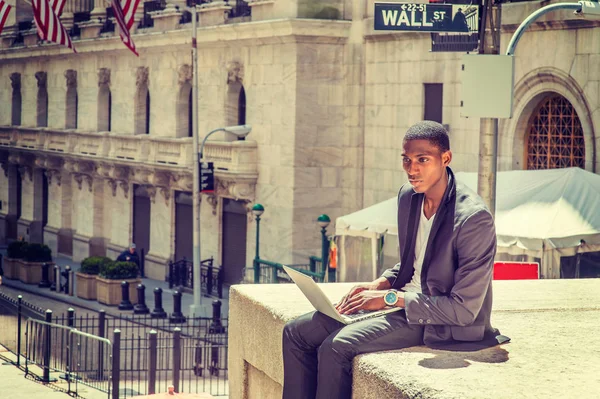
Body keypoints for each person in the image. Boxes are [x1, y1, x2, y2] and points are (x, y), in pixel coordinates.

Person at [282, 121, 508, 399]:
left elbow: (463, 310)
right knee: (295, 332)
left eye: (422, 160)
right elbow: (415, 263)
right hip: (400, 301)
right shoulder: (409, 197)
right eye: (407, 160)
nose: (412, 170)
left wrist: (391, 299)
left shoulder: (473, 219)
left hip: (437, 321)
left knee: (336, 346)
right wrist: (380, 283)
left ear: (445, 159)